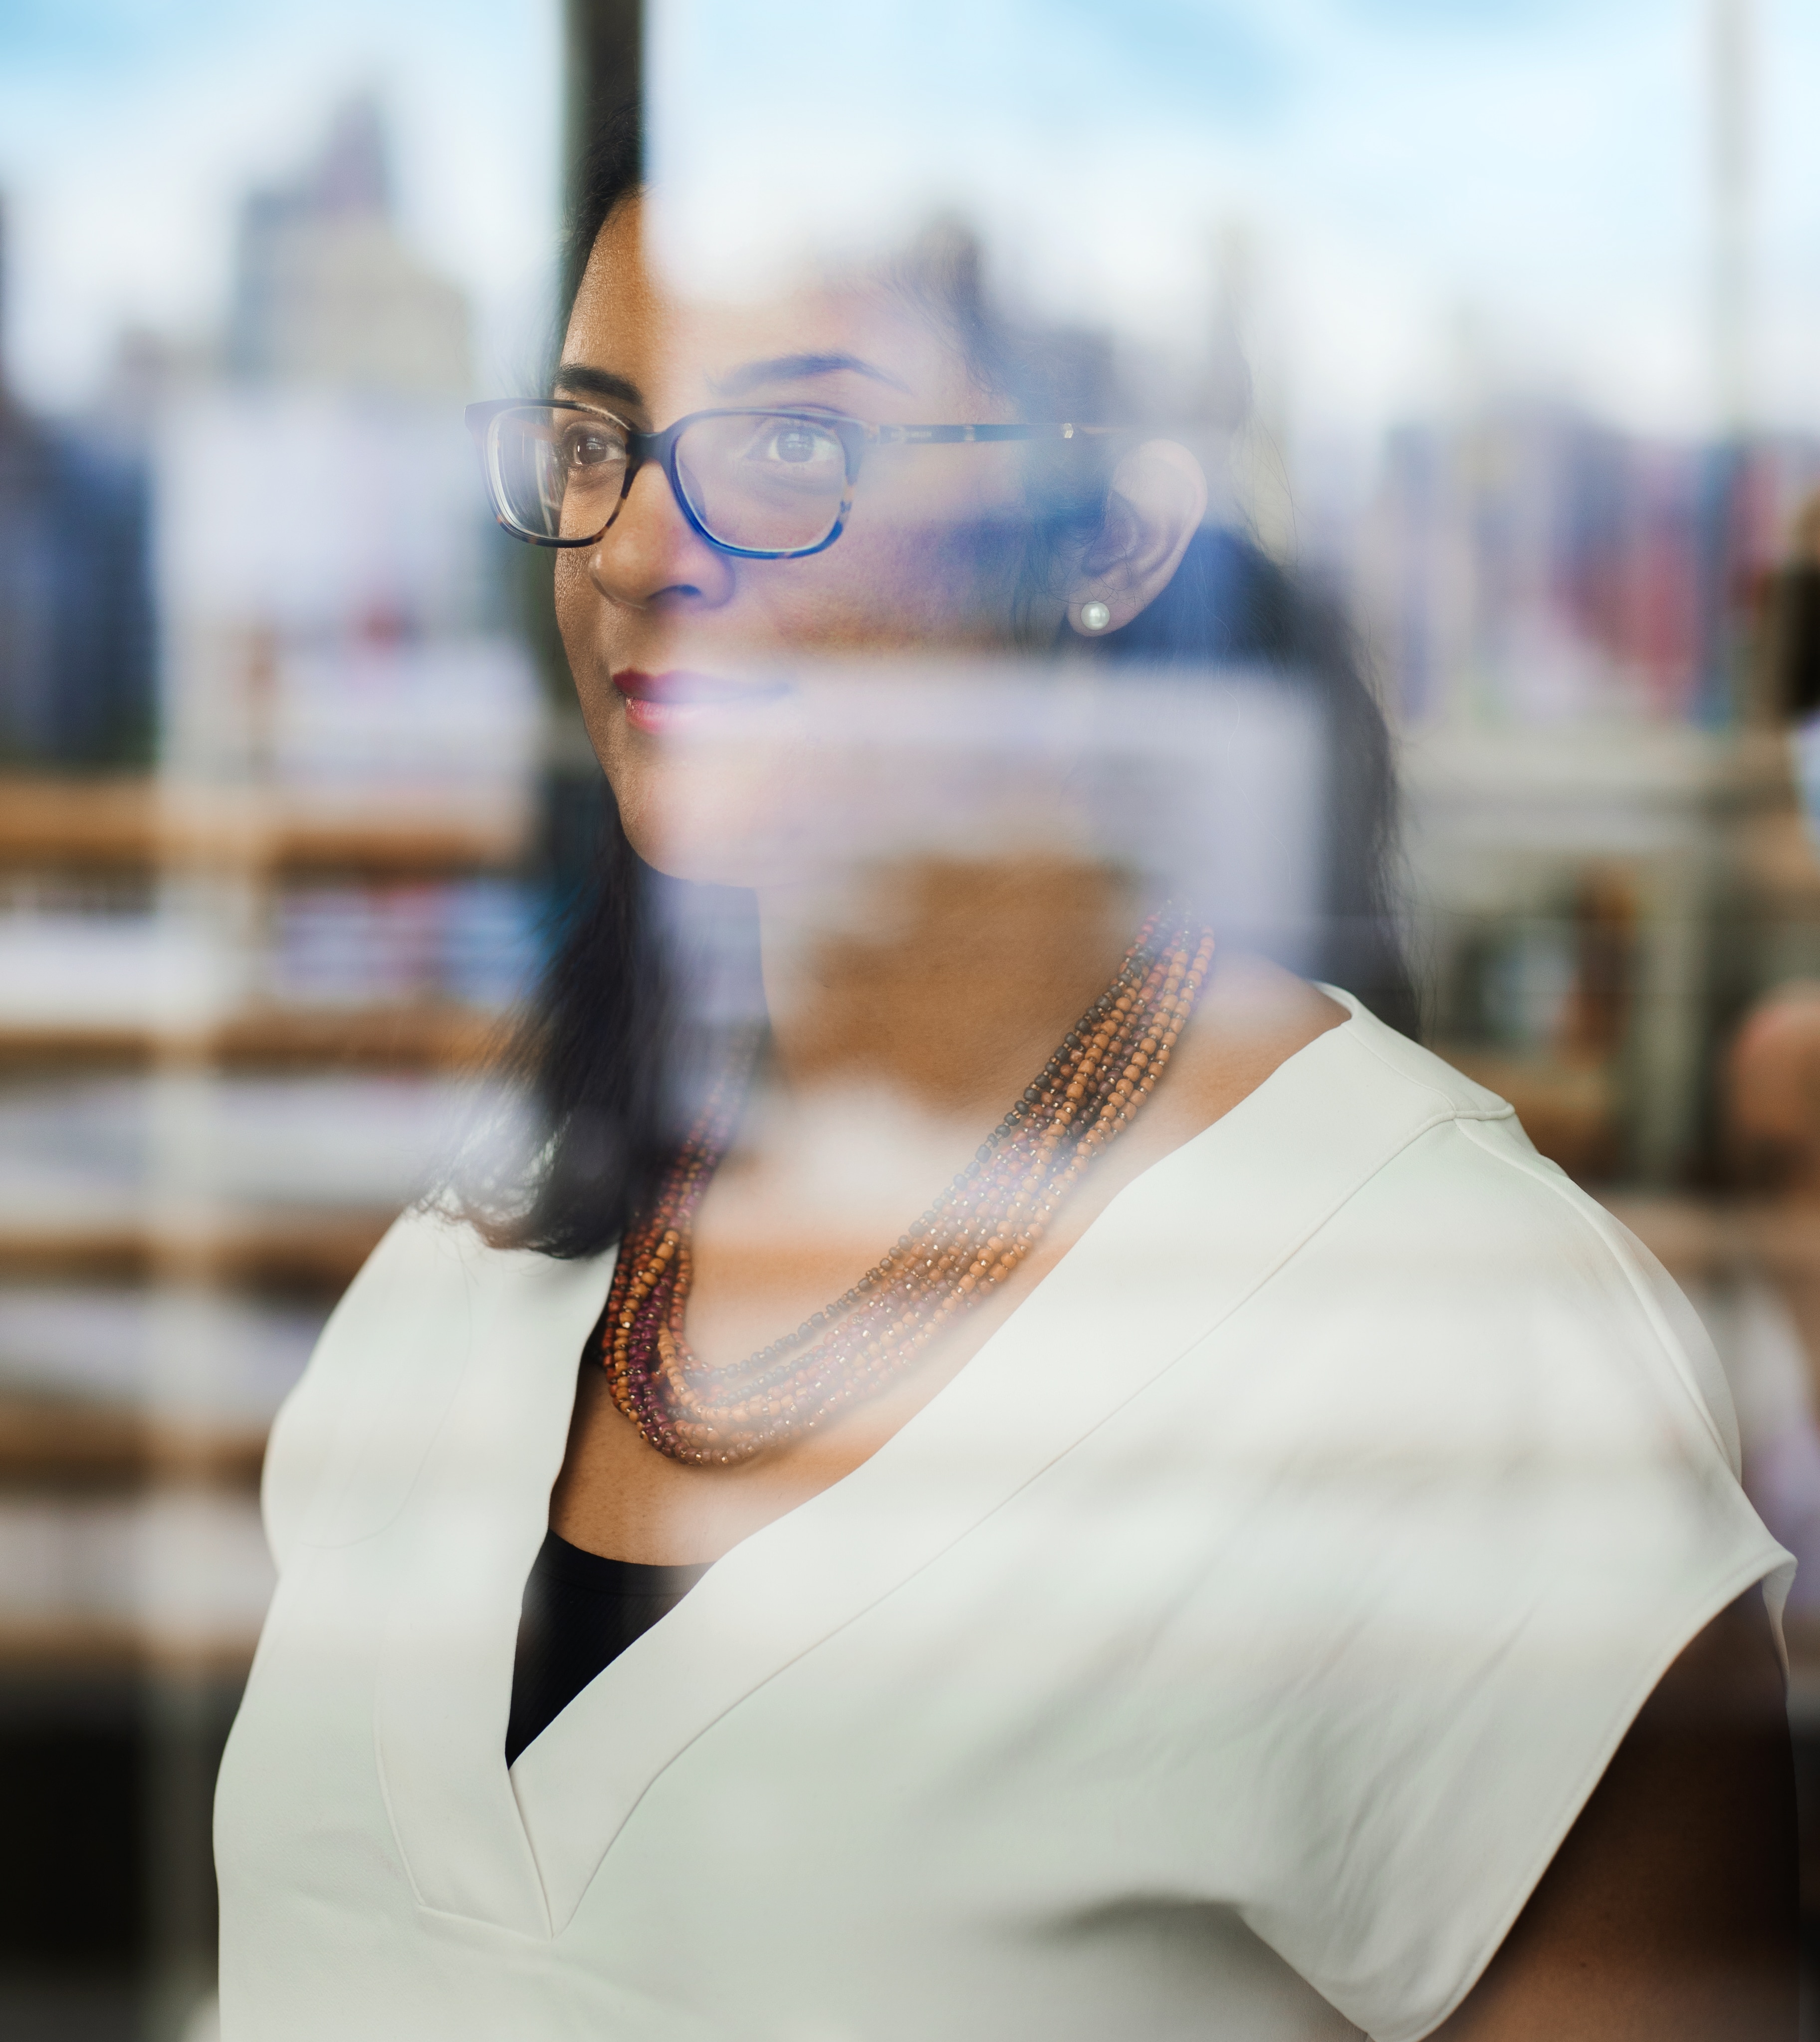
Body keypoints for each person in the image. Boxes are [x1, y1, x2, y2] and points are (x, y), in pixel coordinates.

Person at [215, 113, 1797, 2042]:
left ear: (1114, 529)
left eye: (797, 441)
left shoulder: (1445, 1345)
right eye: (591, 440)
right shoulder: (463, 1279)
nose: (634, 544)